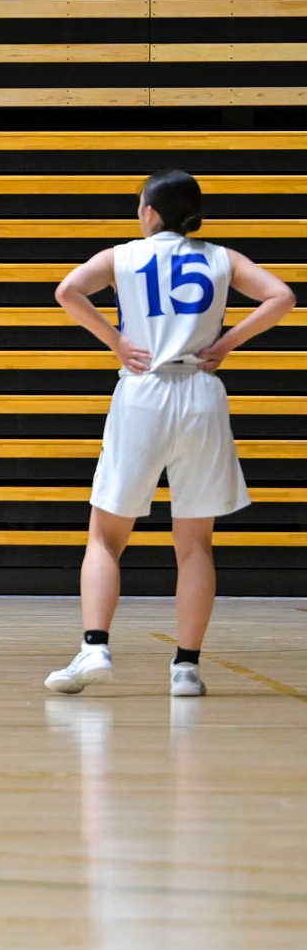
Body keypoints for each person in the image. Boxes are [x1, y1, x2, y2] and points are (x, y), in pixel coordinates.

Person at [44, 170, 294, 696]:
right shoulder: (222, 258)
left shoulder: (123, 255)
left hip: (144, 389)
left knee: (105, 535)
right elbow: (281, 297)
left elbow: (68, 291)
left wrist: (116, 340)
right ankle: (186, 668)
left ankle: (94, 646)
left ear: (149, 212)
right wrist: (226, 343)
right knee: (196, 543)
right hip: (200, 393)